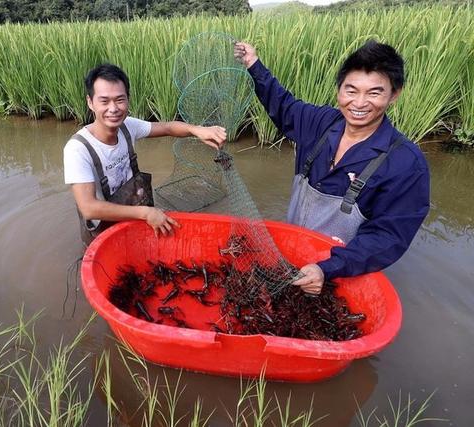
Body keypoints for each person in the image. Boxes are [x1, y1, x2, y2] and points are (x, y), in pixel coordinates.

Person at [234, 40, 430, 294]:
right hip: (291, 258)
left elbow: (388, 237)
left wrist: (328, 268)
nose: (359, 103)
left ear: (394, 94)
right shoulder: (321, 123)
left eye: (374, 93)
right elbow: (283, 106)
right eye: (351, 90)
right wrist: (253, 64)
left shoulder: (406, 164)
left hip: (342, 274)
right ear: (339, 89)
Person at [63, 63, 226, 245]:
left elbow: (167, 127)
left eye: (119, 99)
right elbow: (89, 208)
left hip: (134, 218)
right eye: (104, 101)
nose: (113, 108)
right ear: (90, 102)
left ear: (128, 100)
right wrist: (146, 213)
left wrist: (197, 130)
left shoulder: (128, 127)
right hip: (103, 231)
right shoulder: (77, 149)